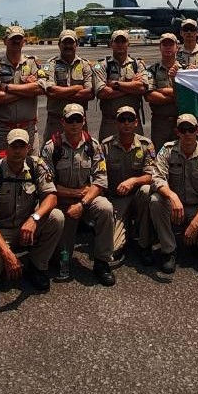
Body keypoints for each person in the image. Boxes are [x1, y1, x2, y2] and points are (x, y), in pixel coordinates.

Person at [0, 129, 65, 292]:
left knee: (56, 217)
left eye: (21, 146)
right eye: (13, 146)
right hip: (1, 230)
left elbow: (52, 196)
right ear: (6, 148)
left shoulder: (35, 165)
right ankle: (2, 268)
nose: (17, 151)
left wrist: (34, 219)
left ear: (28, 148)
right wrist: (7, 254)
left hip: (27, 225)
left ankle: (37, 266)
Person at [40, 104, 118, 286]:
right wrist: (74, 193)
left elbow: (100, 181)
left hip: (86, 199)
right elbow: (46, 184)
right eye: (70, 120)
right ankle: (55, 256)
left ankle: (102, 262)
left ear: (84, 121)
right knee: (61, 255)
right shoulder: (52, 147)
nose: (74, 124)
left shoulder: (93, 145)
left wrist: (82, 203)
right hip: (61, 201)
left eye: (78, 119)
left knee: (105, 207)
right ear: (62, 122)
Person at [146, 114, 198, 272]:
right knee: (155, 200)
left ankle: (197, 240)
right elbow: (157, 178)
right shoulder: (167, 150)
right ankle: (169, 250)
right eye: (183, 129)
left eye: (191, 129)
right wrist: (172, 196)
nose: (187, 133)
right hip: (175, 206)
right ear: (177, 132)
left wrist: (194, 225)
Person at [101, 106, 155, 264]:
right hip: (117, 199)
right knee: (113, 248)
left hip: (138, 197)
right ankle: (127, 229)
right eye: (122, 120)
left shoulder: (146, 145)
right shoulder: (106, 146)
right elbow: (99, 176)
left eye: (130, 119)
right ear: (117, 123)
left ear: (136, 122)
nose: (126, 123)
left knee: (146, 191)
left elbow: (151, 175)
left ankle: (144, 244)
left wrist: (133, 181)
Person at [0, 25, 49, 150]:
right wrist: (27, 89)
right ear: (4, 41)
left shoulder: (32, 63)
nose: (16, 42)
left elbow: (42, 88)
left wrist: (8, 88)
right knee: (3, 165)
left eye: (19, 39)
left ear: (24, 42)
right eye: (12, 39)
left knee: (31, 165)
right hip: (4, 131)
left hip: (29, 129)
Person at [91, 30, 149, 141]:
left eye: (123, 41)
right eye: (117, 41)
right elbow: (103, 93)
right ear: (111, 44)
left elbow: (142, 88)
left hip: (133, 122)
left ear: (128, 44)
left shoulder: (137, 64)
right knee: (107, 155)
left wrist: (115, 84)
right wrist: (131, 85)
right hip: (110, 123)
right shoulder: (102, 65)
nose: (120, 44)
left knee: (136, 154)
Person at [42, 29, 94, 140]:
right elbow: (50, 91)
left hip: (78, 121)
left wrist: (60, 93)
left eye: (71, 42)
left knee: (82, 154)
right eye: (65, 43)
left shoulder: (85, 64)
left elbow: (89, 94)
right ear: (59, 45)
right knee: (52, 153)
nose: (68, 46)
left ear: (77, 44)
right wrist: (77, 88)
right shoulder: (51, 64)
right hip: (56, 121)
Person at [144, 33, 185, 146]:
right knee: (159, 156)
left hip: (181, 121)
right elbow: (150, 96)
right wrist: (176, 97)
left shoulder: (185, 70)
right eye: (164, 44)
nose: (168, 47)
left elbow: (188, 96)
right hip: (160, 122)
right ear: (160, 47)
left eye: (171, 44)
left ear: (177, 47)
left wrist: (163, 91)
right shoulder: (152, 70)